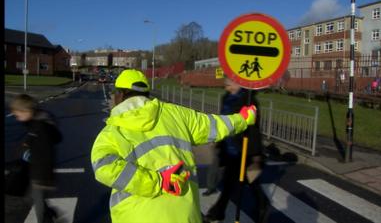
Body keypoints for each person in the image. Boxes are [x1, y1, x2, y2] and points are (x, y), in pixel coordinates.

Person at [90, 69, 257, 223]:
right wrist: (243, 118)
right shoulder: (177, 114)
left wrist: (158, 182)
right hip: (183, 214)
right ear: (147, 93)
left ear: (120, 95)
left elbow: (104, 166)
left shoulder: (112, 132)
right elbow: (214, 125)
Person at [204, 78, 270, 223]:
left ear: (238, 83)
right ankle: (219, 212)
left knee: (249, 181)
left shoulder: (249, 101)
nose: (227, 87)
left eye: (230, 83)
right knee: (233, 182)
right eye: (226, 84)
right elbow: (223, 122)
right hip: (230, 148)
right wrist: (219, 142)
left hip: (244, 149)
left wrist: (256, 154)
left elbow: (253, 129)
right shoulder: (226, 98)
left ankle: (262, 206)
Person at [10, 94, 63, 223]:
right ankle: (49, 213)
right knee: (30, 198)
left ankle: (47, 218)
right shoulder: (35, 123)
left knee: (38, 204)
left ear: (27, 111)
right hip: (35, 170)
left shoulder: (41, 127)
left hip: (42, 173)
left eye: (18, 114)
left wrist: (42, 176)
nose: (17, 118)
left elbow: (45, 153)